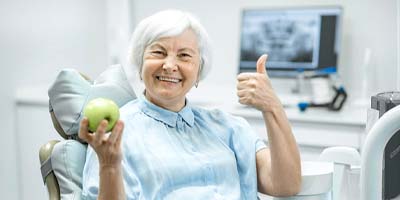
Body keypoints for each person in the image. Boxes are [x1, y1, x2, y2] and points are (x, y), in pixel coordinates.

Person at [79, 9, 301, 200]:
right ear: (140, 62)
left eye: (184, 56)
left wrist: (272, 107)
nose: (169, 65)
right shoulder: (116, 133)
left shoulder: (229, 128)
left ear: (198, 71)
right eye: (158, 52)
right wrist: (109, 165)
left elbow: (285, 185)